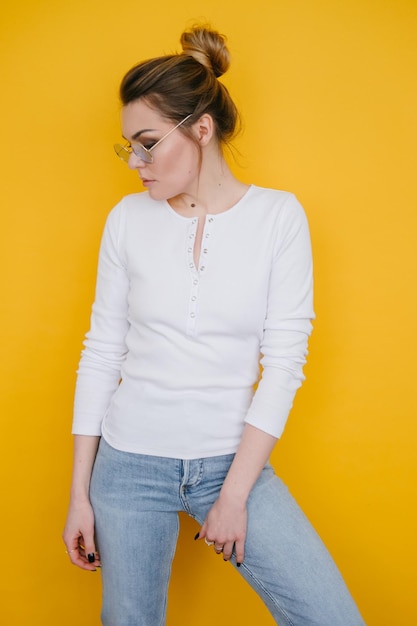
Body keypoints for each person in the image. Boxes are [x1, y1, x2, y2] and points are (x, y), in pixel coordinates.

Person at [63, 24, 365, 626]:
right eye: (130, 147)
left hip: (231, 463)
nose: (137, 163)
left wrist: (233, 497)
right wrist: (79, 494)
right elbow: (102, 353)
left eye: (148, 143)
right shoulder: (126, 220)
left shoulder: (278, 218)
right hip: (127, 465)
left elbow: (283, 367)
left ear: (201, 130)